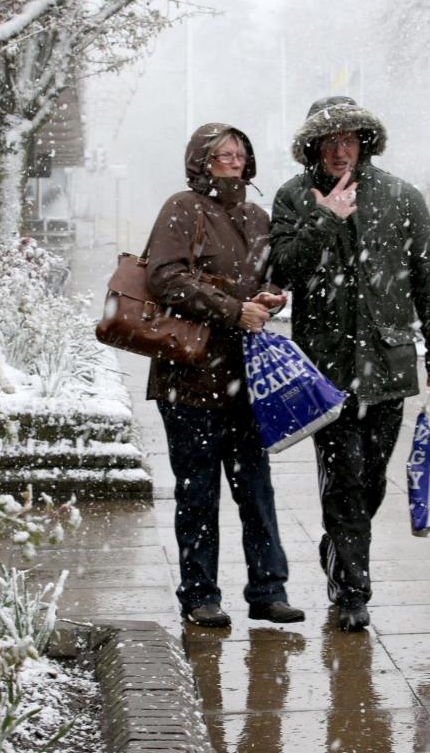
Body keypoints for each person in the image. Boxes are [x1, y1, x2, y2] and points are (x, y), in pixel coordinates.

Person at [268, 96, 430, 631]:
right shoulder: (294, 197)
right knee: (344, 477)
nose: (340, 149)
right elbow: (281, 269)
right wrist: (325, 218)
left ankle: (339, 547)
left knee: (371, 480)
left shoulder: (400, 197)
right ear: (314, 148)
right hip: (325, 371)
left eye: (349, 138)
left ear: (364, 142)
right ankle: (353, 592)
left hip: (390, 364)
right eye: (329, 141)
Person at [145, 123, 305, 627]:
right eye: (221, 154)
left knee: (256, 488)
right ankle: (199, 595)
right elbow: (165, 276)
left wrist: (268, 296)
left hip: (244, 379)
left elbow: (265, 276)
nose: (233, 160)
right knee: (197, 493)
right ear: (200, 161)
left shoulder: (256, 216)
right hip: (189, 377)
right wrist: (232, 310)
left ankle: (268, 590)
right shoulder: (182, 208)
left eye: (239, 153)